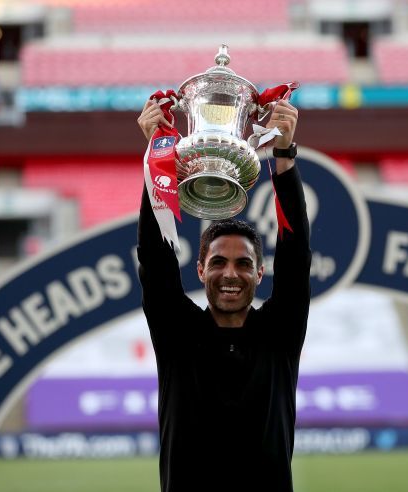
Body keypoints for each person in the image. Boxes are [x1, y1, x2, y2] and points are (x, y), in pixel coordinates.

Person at [136, 98, 311, 492]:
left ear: (260, 273)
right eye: (218, 262)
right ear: (200, 270)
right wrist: (157, 155)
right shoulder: (178, 333)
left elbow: (297, 254)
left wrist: (283, 154)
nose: (230, 273)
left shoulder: (279, 334)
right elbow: (155, 258)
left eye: (244, 264)